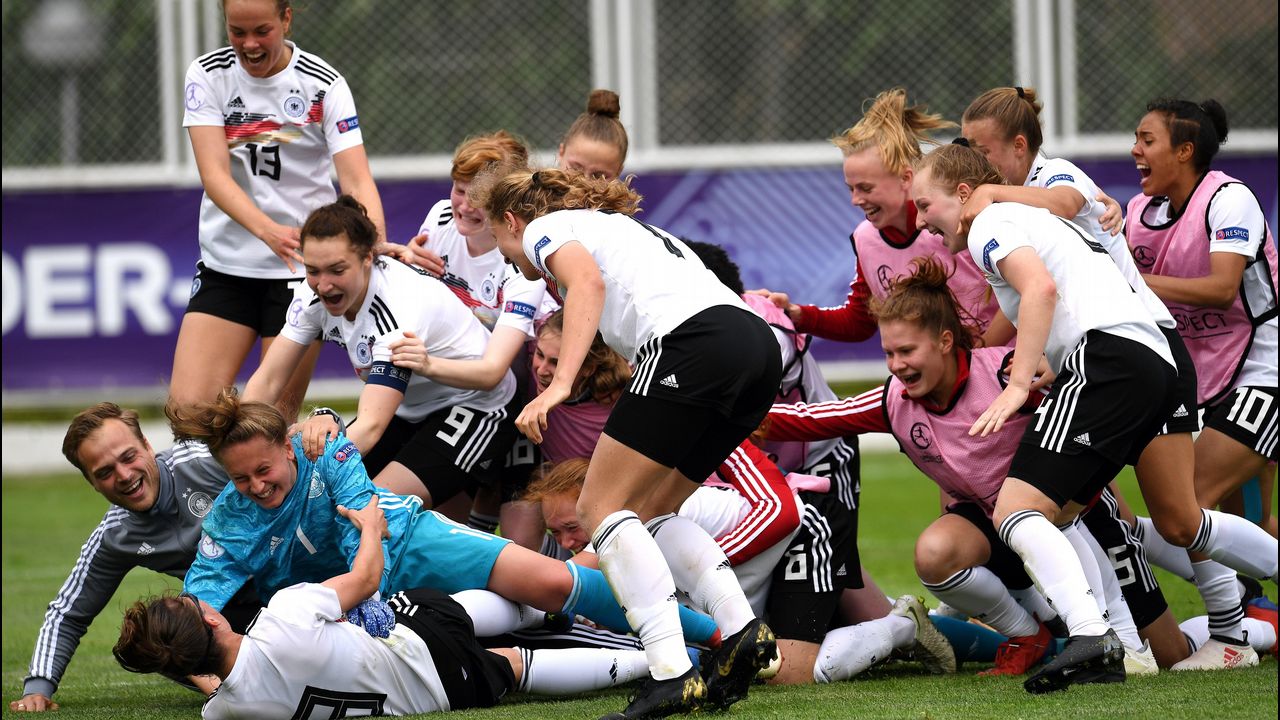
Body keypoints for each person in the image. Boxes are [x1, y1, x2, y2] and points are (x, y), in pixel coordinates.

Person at [956, 86, 1277, 669]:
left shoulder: (1049, 181)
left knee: (1050, 509)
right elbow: (1039, 292)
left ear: (1018, 146)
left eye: (981, 152)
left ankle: (1120, 640)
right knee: (1173, 516)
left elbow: (1061, 212)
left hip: (1130, 353)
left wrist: (985, 193)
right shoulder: (1018, 206)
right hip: (1140, 352)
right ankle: (1198, 639)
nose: (973, 168)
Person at [472, 166, 782, 718]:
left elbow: (586, 285)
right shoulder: (613, 228)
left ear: (514, 220)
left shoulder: (548, 229)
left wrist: (559, 386)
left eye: (501, 241)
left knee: (599, 507)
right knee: (650, 511)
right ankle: (740, 630)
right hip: (755, 346)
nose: (509, 257)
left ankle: (671, 671)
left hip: (695, 344)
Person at [764, 257, 1161, 677]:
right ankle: (1030, 633)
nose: (896, 365)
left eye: (906, 351)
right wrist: (736, 412)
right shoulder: (892, 401)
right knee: (935, 554)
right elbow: (814, 418)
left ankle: (1227, 618)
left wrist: (1094, 487)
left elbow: (1085, 416)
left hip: (1068, 516)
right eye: (888, 353)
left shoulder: (1009, 374)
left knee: (1170, 630)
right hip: (995, 531)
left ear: (945, 341)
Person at [912, 142, 1182, 693]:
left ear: (962, 196)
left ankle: (1091, 637)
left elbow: (1041, 288)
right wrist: (1051, 369)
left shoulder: (990, 222)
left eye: (925, 205)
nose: (921, 222)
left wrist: (1015, 385)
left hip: (1110, 359)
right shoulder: (1015, 216)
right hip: (1142, 360)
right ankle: (1124, 648)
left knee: (1015, 510)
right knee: (1058, 516)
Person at [171, 388, 719, 646]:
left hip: (411, 545)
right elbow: (200, 609)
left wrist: (369, 612)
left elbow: (370, 530)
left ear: (288, 448)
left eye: (264, 469)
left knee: (552, 581)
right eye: (241, 479)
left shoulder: (325, 449)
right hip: (352, 604)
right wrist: (209, 674)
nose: (256, 486)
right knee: (501, 638)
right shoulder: (227, 522)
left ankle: (714, 637)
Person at [113, 496, 653, 719]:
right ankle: (650, 655)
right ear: (211, 617)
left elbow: (217, 687)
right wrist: (370, 526)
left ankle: (645, 660)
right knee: (468, 630)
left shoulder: (224, 712)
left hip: (431, 692)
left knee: (486, 651)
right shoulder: (284, 616)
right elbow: (366, 576)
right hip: (420, 652)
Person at [526, 457, 961, 687]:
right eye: (555, 532)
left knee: (785, 671)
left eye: (572, 527)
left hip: (804, 528)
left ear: (594, 504)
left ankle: (904, 625)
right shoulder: (622, 515)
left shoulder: (624, 519)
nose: (567, 542)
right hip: (752, 562)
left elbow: (567, 580)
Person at [171, 0, 388, 421]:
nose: (249, 45)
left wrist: (374, 245)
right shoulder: (207, 74)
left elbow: (357, 181)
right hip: (226, 267)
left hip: (299, 276)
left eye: (262, 31)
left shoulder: (324, 85)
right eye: (237, 32)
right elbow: (214, 175)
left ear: (286, 18)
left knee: (270, 424)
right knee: (189, 413)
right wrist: (268, 230)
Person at [1125, 97, 1280, 669]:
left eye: (1147, 139)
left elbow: (1220, 288)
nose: (1135, 151)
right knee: (1247, 526)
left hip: (1265, 372)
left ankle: (1231, 638)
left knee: (1188, 506)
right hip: (1207, 381)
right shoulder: (1140, 211)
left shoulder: (1228, 197)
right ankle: (1250, 621)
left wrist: (1137, 281)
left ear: (1185, 150)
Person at [244, 196, 516, 509]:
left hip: (474, 405)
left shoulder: (396, 314)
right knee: (330, 500)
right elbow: (266, 382)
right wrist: (244, 449)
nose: (323, 285)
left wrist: (293, 473)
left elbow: (370, 428)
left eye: (337, 270)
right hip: (409, 409)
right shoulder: (311, 297)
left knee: (369, 508)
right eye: (313, 270)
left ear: (368, 259)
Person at [11, 403, 259, 714]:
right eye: (105, 472)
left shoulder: (205, 460)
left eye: (128, 457)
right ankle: (232, 690)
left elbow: (278, 454)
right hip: (234, 619)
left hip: (301, 582)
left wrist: (322, 420)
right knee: (154, 636)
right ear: (92, 483)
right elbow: (67, 613)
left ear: (147, 445)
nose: (125, 475)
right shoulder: (116, 536)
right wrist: (38, 686)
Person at [752, 87, 1002, 344]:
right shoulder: (867, 239)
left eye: (866, 188)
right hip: (943, 373)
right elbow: (860, 320)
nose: (855, 200)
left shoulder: (961, 220)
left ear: (906, 178)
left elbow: (1019, 293)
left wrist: (980, 354)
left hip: (1001, 364)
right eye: (851, 189)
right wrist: (797, 315)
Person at [396, 130, 546, 543]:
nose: (463, 205)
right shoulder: (440, 219)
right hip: (442, 388)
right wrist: (406, 263)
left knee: (518, 536)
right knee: (439, 518)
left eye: (478, 198)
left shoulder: (520, 261)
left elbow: (494, 370)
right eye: (459, 189)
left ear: (507, 206)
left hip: (507, 398)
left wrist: (425, 363)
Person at [558, 89, 629, 180]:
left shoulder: (625, 194)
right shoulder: (538, 192)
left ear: (618, 172)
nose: (585, 182)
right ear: (561, 153)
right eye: (575, 170)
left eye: (598, 176)